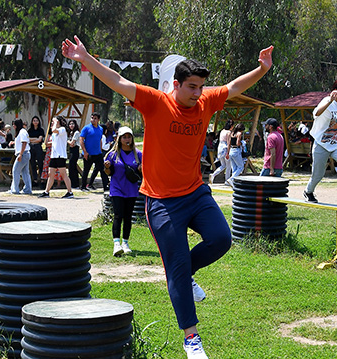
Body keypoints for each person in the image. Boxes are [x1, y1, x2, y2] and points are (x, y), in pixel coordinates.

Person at [62, 34, 273, 358]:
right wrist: (86, 59)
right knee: (174, 265)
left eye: (201, 87)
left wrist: (261, 69)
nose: (198, 93)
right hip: (161, 201)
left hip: (195, 193)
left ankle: (185, 273)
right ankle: (192, 338)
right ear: (175, 84)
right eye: (191, 87)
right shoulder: (156, 102)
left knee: (221, 239)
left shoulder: (204, 102)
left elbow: (232, 88)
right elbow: (118, 80)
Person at [303, 78, 337, 204]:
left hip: (336, 143)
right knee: (318, 175)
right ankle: (308, 191)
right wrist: (330, 101)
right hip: (321, 143)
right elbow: (316, 113)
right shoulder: (327, 100)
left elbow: (333, 121)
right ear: (335, 90)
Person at [104, 126, 142, 257]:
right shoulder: (112, 154)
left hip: (131, 189)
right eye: (124, 137)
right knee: (118, 215)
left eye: (129, 137)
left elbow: (142, 173)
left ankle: (125, 243)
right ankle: (116, 244)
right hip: (117, 189)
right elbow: (109, 173)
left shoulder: (138, 154)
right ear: (119, 139)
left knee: (128, 216)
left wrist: (141, 169)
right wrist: (107, 168)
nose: (127, 139)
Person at [38, 116, 74, 198]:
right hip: (54, 155)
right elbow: (53, 142)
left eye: (54, 122)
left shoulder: (62, 129)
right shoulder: (54, 133)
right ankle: (46, 192)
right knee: (51, 174)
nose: (52, 124)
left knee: (63, 174)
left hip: (60, 155)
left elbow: (54, 130)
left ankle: (70, 192)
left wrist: (55, 121)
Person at [79, 112, 108, 191]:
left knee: (102, 170)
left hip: (98, 153)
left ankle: (106, 186)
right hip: (88, 153)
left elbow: (100, 140)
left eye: (95, 118)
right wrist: (84, 151)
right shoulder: (86, 128)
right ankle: (83, 186)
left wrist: (101, 150)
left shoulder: (100, 129)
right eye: (92, 118)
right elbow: (81, 139)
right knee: (86, 170)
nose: (93, 120)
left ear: (98, 120)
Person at [7, 119, 33, 194]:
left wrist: (20, 155)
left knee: (15, 171)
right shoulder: (21, 132)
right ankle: (27, 189)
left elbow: (24, 143)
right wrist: (14, 142)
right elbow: (20, 141)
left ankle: (15, 189)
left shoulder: (22, 132)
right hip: (25, 153)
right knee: (25, 172)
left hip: (23, 154)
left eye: (14, 124)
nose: (13, 126)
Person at [208, 120, 233, 184]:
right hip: (225, 148)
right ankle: (227, 180)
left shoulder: (222, 131)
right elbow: (229, 143)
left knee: (223, 165)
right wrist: (228, 152)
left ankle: (213, 174)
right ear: (231, 126)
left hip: (220, 148)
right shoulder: (229, 132)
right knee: (228, 166)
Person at [27, 116, 46, 187]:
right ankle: (34, 179)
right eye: (34, 120)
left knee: (40, 163)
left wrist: (33, 139)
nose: (35, 122)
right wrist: (35, 139)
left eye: (37, 120)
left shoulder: (41, 130)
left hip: (38, 147)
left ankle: (42, 179)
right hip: (31, 147)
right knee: (32, 164)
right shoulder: (29, 130)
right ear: (32, 122)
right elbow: (28, 139)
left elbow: (40, 140)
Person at [67, 119, 81, 189]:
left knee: (72, 167)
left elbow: (72, 143)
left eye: (72, 124)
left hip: (75, 150)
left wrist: (67, 140)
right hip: (71, 150)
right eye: (70, 124)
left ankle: (75, 184)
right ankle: (73, 183)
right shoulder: (70, 133)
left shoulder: (76, 133)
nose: (71, 125)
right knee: (72, 167)